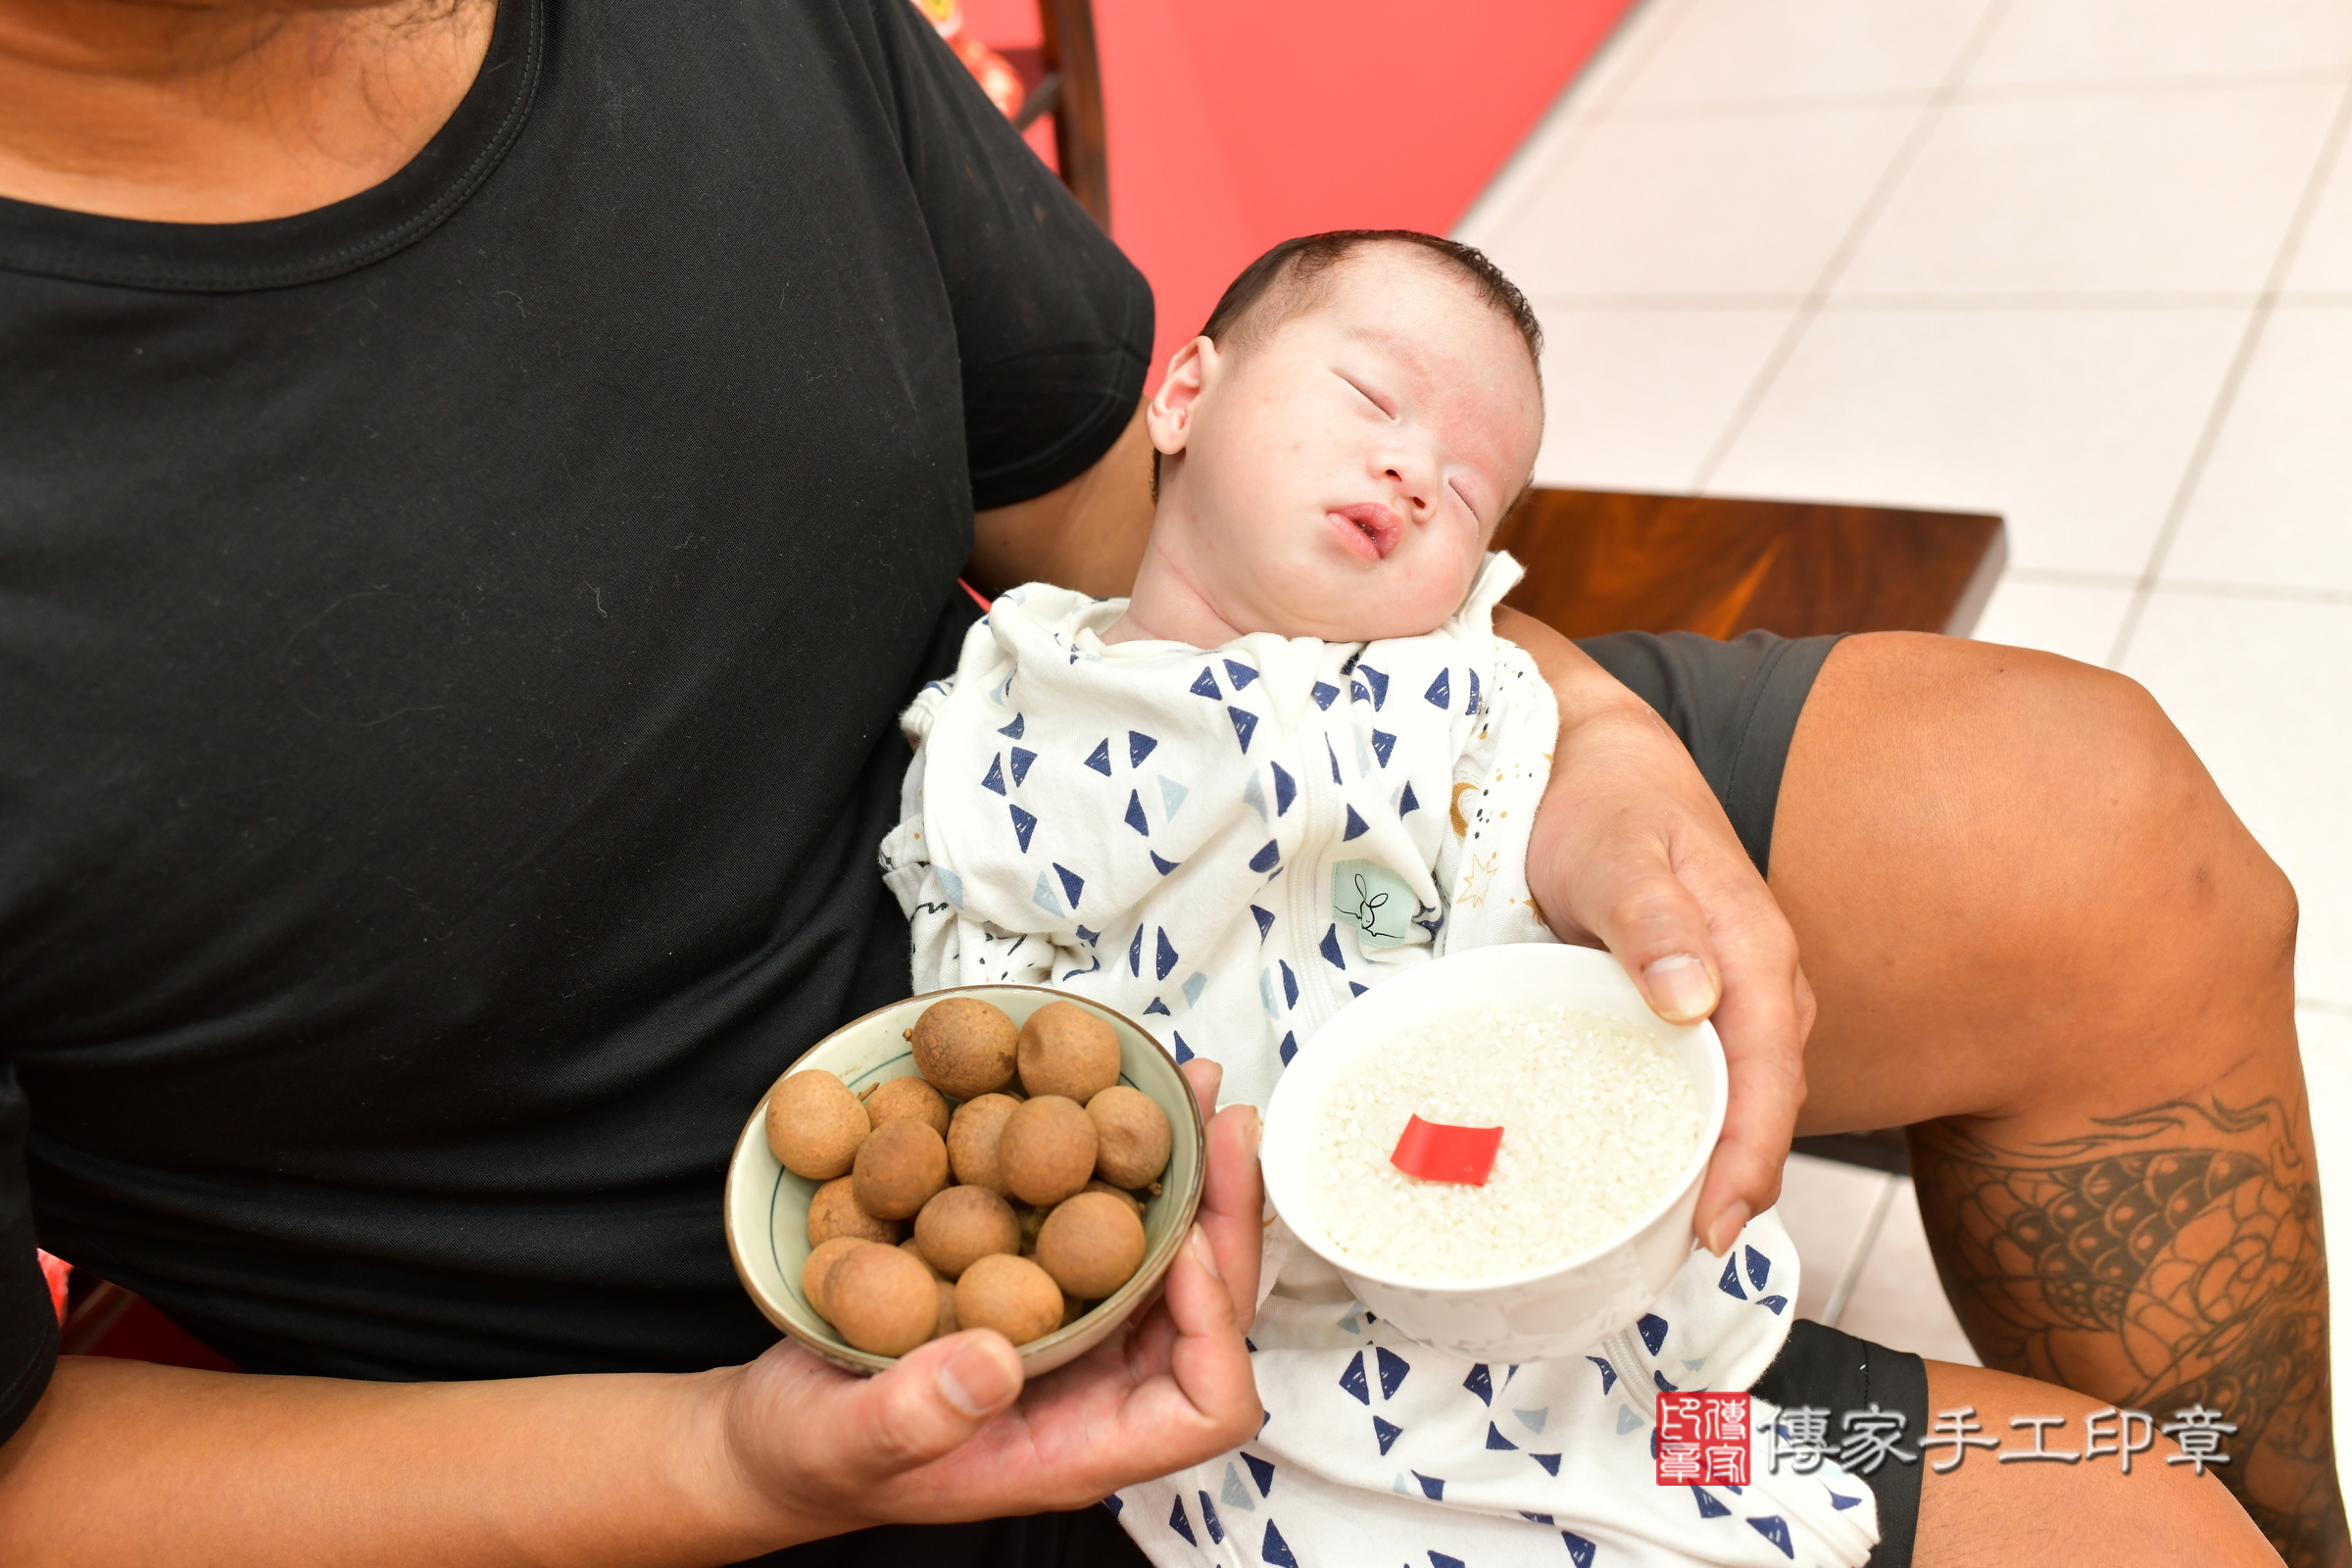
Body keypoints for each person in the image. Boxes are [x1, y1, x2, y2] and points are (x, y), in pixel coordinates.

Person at [0, 1, 2328, 1565]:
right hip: (805, 1360)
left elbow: (1111, 492)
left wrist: (1582, 746)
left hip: (1193, 792)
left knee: (2087, 821)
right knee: (2131, 1524)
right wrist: (720, 1458)